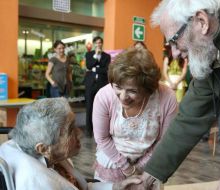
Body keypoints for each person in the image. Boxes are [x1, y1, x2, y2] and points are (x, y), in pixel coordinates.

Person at [129, 0, 220, 189]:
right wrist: (148, 178)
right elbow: (188, 120)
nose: (174, 53)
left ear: (201, 21)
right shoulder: (210, 58)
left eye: (174, 41)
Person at [0, 98, 142, 190]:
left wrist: (117, 187)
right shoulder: (38, 183)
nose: (79, 132)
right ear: (43, 148)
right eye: (70, 130)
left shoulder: (46, 154)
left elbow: (81, 187)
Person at [92, 47, 178, 183]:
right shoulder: (104, 96)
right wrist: (127, 168)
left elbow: (163, 141)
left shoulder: (167, 98)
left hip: (150, 166)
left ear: (148, 88)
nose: (123, 97)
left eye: (132, 91)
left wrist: (140, 167)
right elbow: (102, 138)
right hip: (112, 162)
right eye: (118, 87)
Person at [84, 36, 111, 136]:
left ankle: (100, 130)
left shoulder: (106, 56)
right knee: (89, 106)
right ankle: (88, 130)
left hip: (101, 84)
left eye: (100, 43)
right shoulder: (89, 54)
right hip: (90, 84)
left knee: (101, 107)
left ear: (102, 44)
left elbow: (106, 70)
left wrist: (95, 69)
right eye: (96, 43)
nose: (98, 44)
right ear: (94, 44)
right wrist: (95, 56)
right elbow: (89, 66)